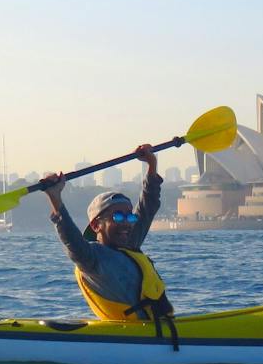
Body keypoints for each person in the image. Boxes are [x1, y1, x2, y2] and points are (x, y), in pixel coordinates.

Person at [39, 145, 177, 344]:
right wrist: (55, 197)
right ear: (96, 225)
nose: (126, 223)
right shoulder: (91, 259)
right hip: (134, 337)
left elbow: (148, 206)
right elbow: (71, 238)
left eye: (129, 216)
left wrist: (152, 165)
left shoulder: (129, 242)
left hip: (160, 328)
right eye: (117, 216)